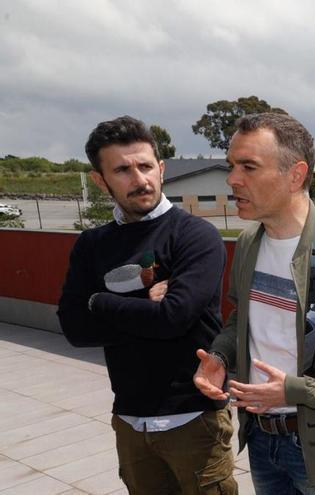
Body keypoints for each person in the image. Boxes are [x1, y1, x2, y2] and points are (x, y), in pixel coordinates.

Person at [57, 116, 236, 494]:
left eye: (145, 166)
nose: (139, 179)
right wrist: (145, 305)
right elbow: (74, 328)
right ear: (100, 180)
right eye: (122, 169)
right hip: (129, 422)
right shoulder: (92, 245)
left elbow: (174, 318)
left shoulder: (195, 236)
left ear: (161, 167)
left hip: (193, 421)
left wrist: (100, 300)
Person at [194, 112, 315, 494]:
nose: (232, 179)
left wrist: (291, 391)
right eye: (232, 166)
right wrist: (221, 358)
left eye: (249, 167)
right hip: (260, 438)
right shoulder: (247, 243)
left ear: (296, 175)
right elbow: (241, 316)